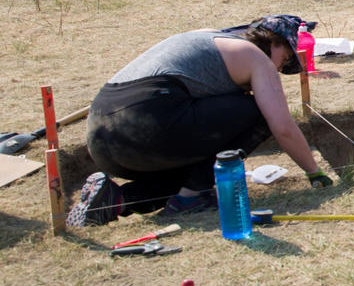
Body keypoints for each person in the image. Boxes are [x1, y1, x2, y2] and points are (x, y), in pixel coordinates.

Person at [68, 15, 333, 226]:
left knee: (196, 167)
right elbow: (282, 127)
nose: (277, 68)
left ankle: (117, 201)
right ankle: (192, 198)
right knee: (258, 113)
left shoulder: (209, 39)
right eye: (284, 59)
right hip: (144, 120)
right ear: (274, 42)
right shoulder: (255, 57)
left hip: (102, 136)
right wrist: (315, 173)